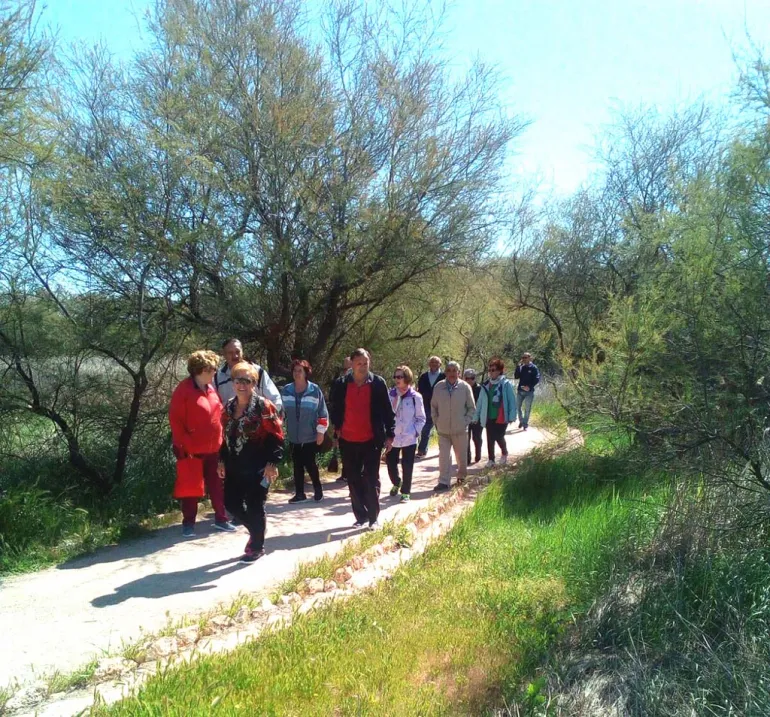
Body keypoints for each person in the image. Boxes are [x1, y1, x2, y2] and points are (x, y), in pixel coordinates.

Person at [219, 361, 284, 562]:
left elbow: (277, 436)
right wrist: (220, 461)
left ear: (254, 383)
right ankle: (257, 531)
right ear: (232, 382)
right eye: (237, 380)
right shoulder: (228, 407)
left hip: (258, 467)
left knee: (255, 506)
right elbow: (223, 438)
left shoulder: (264, 406)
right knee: (231, 503)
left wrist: (273, 462)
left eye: (246, 381)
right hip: (234, 467)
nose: (241, 384)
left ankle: (256, 546)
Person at [168, 350, 235, 537]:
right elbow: (176, 421)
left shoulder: (211, 388)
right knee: (191, 488)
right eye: (212, 368)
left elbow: (218, 414)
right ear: (201, 369)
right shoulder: (183, 391)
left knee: (217, 486)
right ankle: (188, 523)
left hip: (214, 449)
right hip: (191, 451)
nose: (215, 372)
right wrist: (185, 445)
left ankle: (221, 519)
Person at [329, 348, 395, 530]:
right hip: (348, 440)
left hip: (371, 439)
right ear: (351, 364)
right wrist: (336, 430)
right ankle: (361, 516)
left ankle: (373, 518)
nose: (363, 367)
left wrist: (390, 434)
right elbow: (335, 408)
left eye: (366, 363)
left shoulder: (378, 383)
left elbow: (387, 411)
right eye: (359, 363)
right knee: (353, 479)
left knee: (371, 478)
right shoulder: (341, 384)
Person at [281, 359, 329, 503]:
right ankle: (300, 493)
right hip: (293, 436)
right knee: (297, 465)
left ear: (305, 372)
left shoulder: (314, 390)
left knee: (310, 464)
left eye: (300, 371)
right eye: (295, 371)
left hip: (310, 436)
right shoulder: (286, 390)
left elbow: (323, 413)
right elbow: (280, 412)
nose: (297, 373)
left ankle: (318, 489)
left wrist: (321, 432)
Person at [430, 361, 476, 492]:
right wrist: (436, 421)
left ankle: (461, 477)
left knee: (461, 457)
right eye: (449, 370)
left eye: (454, 370)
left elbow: (471, 408)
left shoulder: (465, 387)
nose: (451, 373)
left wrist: (464, 421)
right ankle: (443, 482)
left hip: (460, 430)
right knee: (443, 457)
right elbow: (433, 407)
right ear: (445, 372)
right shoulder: (438, 387)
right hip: (443, 430)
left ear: (459, 373)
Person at [386, 365, 427, 503]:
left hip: (409, 437)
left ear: (407, 378)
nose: (397, 379)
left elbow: (421, 418)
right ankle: (397, 482)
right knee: (391, 464)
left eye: (400, 376)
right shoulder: (390, 395)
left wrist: (415, 431)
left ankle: (406, 492)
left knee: (407, 465)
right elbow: (386, 415)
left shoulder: (416, 397)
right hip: (394, 437)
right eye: (395, 376)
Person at [214, 338, 283, 412]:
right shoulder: (217, 377)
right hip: (229, 421)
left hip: (257, 421)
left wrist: (270, 419)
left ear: (242, 352)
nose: (235, 356)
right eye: (230, 353)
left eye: (238, 352)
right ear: (224, 354)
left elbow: (276, 399)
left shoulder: (257, 371)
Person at [474, 357, 517, 467]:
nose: (491, 372)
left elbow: (512, 401)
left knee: (499, 436)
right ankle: (491, 460)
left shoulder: (506, 384)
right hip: (489, 416)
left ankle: (504, 452)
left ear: (499, 371)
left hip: (501, 416)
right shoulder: (486, 385)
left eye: (493, 370)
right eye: (490, 370)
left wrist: (512, 416)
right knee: (490, 438)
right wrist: (476, 416)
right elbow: (479, 402)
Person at [328, 357, 353, 482]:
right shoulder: (338, 383)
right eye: (345, 368)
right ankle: (345, 473)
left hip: (355, 424)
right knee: (343, 448)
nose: (347, 371)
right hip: (342, 422)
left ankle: (352, 474)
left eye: (350, 368)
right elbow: (334, 403)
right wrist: (335, 424)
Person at [416, 356, 446, 457]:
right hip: (426, 406)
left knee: (441, 429)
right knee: (425, 429)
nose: (433, 364)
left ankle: (444, 449)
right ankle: (422, 450)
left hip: (441, 407)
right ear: (429, 364)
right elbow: (420, 390)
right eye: (432, 362)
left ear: (440, 364)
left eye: (436, 362)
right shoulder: (424, 376)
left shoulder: (444, 376)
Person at [514, 352, 540, 431]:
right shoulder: (521, 367)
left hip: (529, 392)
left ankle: (525, 424)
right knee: (517, 407)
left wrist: (529, 386)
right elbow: (516, 376)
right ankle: (521, 421)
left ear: (529, 358)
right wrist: (518, 366)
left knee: (527, 408)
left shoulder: (534, 368)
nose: (524, 359)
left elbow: (537, 378)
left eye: (525, 357)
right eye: (523, 357)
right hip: (520, 391)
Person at [464, 368, 483, 464]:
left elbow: (481, 404)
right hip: (465, 417)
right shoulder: (462, 389)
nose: (469, 380)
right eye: (467, 378)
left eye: (472, 378)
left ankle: (478, 455)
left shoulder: (480, 389)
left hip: (477, 418)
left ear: (475, 378)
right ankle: (467, 458)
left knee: (476, 438)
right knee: (465, 439)